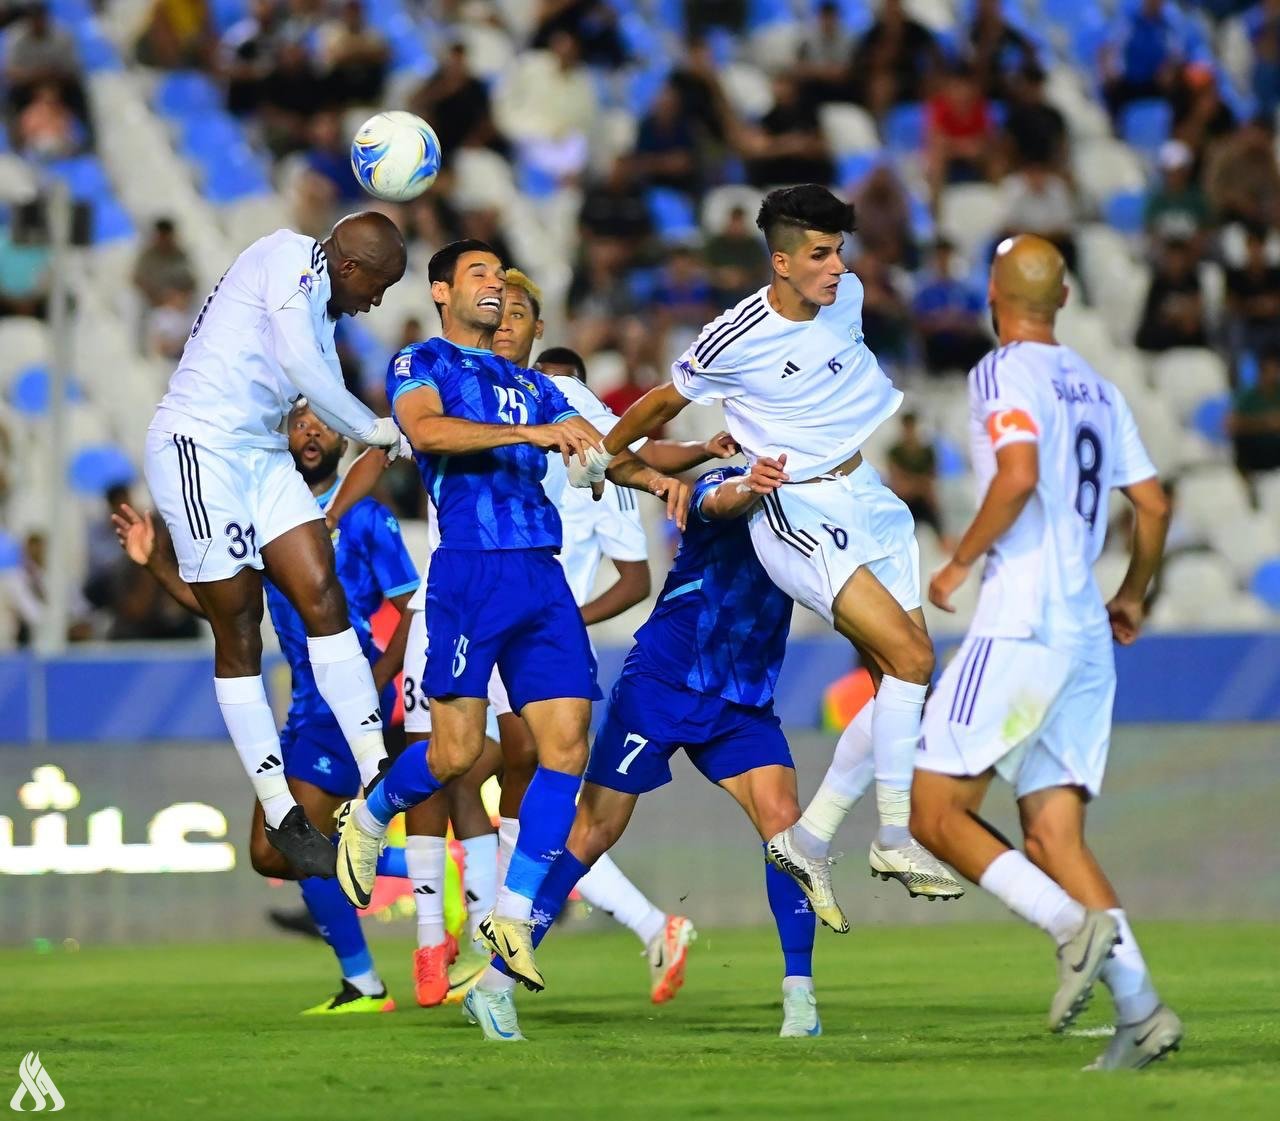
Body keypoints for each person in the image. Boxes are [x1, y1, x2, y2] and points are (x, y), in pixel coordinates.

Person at [586, 185, 964, 926]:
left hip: (870, 497)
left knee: (905, 675)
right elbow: (663, 400)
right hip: (798, 507)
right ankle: (893, 836)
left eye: (840, 251)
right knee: (912, 662)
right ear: (782, 262)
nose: (837, 267)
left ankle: (814, 840)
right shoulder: (734, 336)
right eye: (820, 254)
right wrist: (605, 452)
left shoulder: (848, 296)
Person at [333, 238, 688, 993]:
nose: (494, 284)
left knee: (566, 747)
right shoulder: (421, 363)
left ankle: (514, 914)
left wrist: (663, 480)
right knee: (455, 754)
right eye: (479, 274)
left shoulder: (532, 385)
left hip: (542, 577)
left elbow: (602, 450)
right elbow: (426, 431)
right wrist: (533, 433)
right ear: (441, 291)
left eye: (500, 274)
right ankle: (370, 813)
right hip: (470, 572)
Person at [913, 234, 1182, 1072]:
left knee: (933, 813)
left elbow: (1018, 473)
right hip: (1085, 633)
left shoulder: (1001, 371)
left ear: (993, 293)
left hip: (1022, 621)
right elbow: (1154, 505)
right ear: (1065, 298)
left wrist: (958, 560)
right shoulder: (1098, 385)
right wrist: (1132, 592)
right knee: (1055, 838)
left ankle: (1072, 927)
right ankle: (1142, 1013)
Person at [463, 459, 850, 1041]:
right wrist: (752, 482)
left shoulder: (808, 507)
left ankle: (800, 997)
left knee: (786, 832)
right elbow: (716, 501)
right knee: (590, 833)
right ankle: (494, 986)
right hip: (659, 690)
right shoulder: (725, 482)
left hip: (740, 702)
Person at [116, 402, 419, 1014]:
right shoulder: (263, 519)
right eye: (299, 423)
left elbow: (411, 607)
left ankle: (371, 971)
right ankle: (422, 872)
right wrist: (157, 563)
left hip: (345, 706)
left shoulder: (364, 516)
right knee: (273, 850)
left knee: (288, 844)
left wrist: (378, 680)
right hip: (305, 706)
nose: (310, 432)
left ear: (343, 440)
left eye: (323, 424)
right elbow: (228, 612)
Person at [142, 211, 409, 879]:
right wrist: (376, 430)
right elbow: (298, 365)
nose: (376, 302)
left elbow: (310, 374)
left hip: (261, 456)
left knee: (323, 594)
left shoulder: (322, 307)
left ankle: (377, 773)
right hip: (200, 448)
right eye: (377, 286)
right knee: (239, 627)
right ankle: (281, 811)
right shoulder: (287, 259)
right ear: (348, 266)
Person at [887, 413, 943, 539]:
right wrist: (919, 482)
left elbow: (931, 478)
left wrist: (911, 481)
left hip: (924, 498)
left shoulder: (927, 452)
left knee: (939, 527)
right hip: (905, 499)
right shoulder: (895, 452)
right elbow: (898, 482)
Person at [1229, 349, 1280, 475]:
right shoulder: (1248, 396)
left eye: (1275, 371)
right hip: (1255, 449)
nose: (1273, 375)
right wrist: (1265, 423)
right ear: (1261, 372)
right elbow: (1232, 425)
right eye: (1269, 371)